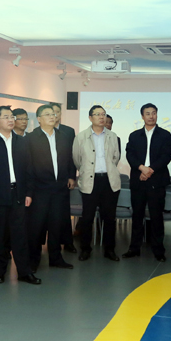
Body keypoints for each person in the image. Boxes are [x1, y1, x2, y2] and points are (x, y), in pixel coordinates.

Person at [0, 106, 40, 285]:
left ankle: (24, 272)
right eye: (6, 117)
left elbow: (29, 170)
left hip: (18, 195)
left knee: (20, 236)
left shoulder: (22, 142)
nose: (11, 120)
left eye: (12, 117)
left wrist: (29, 193)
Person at [25, 104, 76, 271]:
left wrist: (71, 176)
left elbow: (69, 159)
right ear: (39, 119)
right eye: (47, 114)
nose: (52, 116)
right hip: (39, 189)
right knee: (36, 226)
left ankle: (56, 258)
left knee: (57, 225)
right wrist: (29, 190)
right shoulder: (30, 138)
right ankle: (33, 260)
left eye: (53, 114)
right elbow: (27, 166)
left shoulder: (64, 136)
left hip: (59, 188)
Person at [124, 103, 171, 261]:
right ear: (142, 116)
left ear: (157, 115)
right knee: (137, 216)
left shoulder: (165, 135)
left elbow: (166, 156)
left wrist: (150, 170)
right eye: (148, 113)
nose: (151, 116)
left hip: (156, 181)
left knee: (156, 217)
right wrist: (141, 168)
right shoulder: (134, 135)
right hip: (138, 180)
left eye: (154, 113)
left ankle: (158, 250)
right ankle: (134, 248)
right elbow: (130, 155)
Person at [72, 105, 122, 261]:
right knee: (87, 217)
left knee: (109, 218)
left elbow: (115, 158)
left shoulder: (113, 136)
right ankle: (85, 249)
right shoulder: (81, 137)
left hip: (109, 181)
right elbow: (77, 159)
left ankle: (109, 249)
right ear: (90, 117)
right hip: (90, 181)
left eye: (103, 114)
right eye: (97, 114)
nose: (101, 117)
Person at [50, 102, 78, 254]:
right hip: (45, 181)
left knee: (64, 212)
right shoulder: (37, 133)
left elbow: (72, 156)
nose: (54, 115)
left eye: (57, 112)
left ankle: (67, 242)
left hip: (63, 179)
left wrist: (72, 176)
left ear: (61, 114)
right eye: (51, 112)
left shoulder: (68, 131)